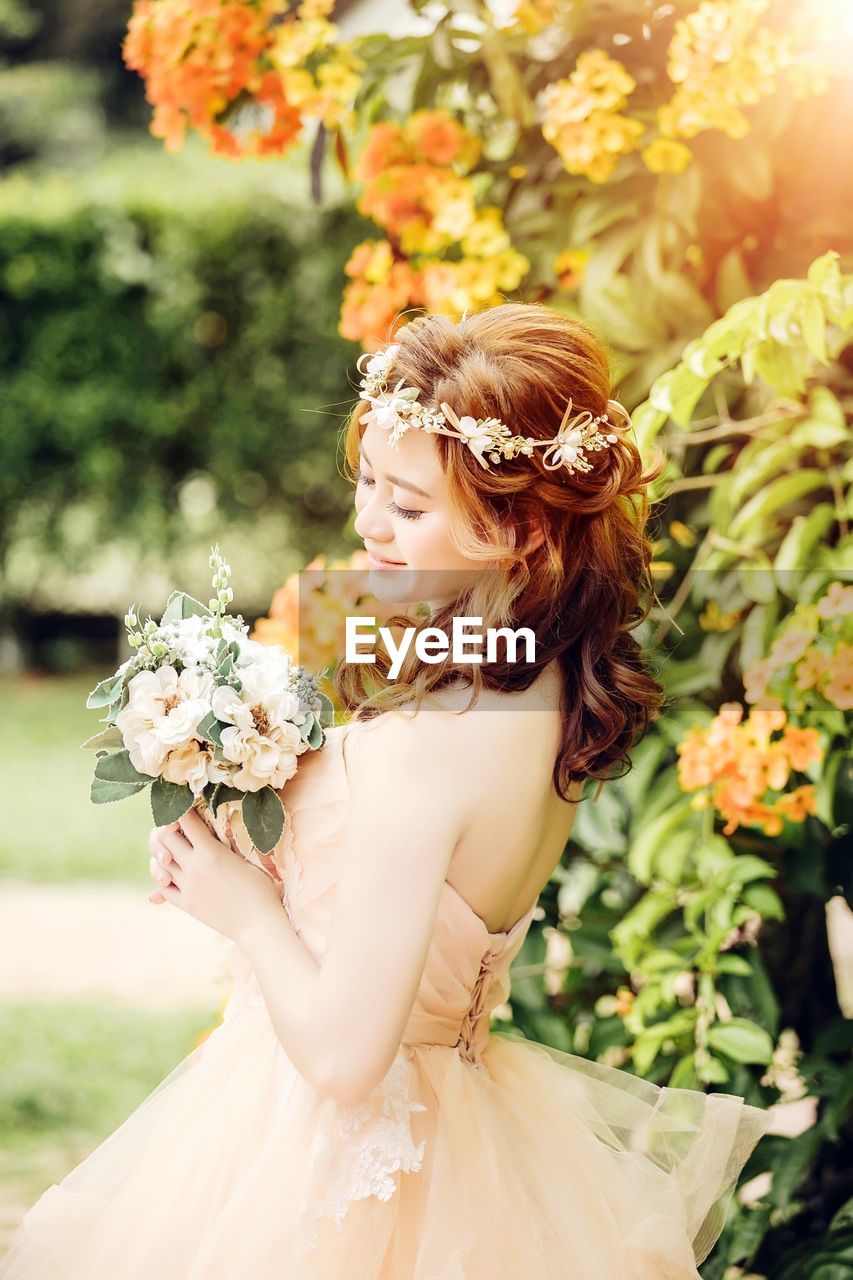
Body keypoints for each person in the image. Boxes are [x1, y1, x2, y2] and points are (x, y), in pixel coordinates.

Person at [0, 303, 770, 1278]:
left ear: (518, 528)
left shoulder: (431, 742)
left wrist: (245, 907)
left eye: (409, 506)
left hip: (338, 1162)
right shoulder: (550, 683)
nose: (369, 522)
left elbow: (343, 1055)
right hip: (467, 1128)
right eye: (367, 480)